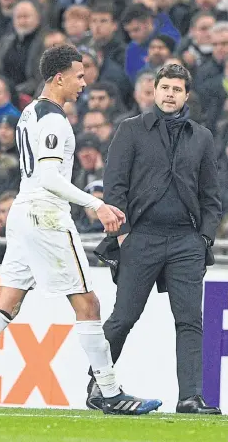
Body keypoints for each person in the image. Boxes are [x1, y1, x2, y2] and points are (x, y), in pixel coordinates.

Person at [0, 45, 161, 416]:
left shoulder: (28, 112)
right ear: (59, 77)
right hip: (47, 216)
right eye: (78, 75)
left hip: (23, 213)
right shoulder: (55, 120)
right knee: (88, 303)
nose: (83, 82)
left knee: (6, 301)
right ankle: (108, 391)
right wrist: (97, 204)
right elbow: (48, 177)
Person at [86, 64, 222, 415]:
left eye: (177, 89)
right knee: (124, 316)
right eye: (164, 87)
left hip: (186, 242)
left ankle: (190, 397)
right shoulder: (130, 130)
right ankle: (98, 383)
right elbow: (114, 185)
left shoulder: (202, 137)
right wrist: (124, 234)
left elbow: (211, 194)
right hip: (140, 237)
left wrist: (204, 237)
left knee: (191, 320)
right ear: (154, 90)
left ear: (186, 95)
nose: (169, 94)